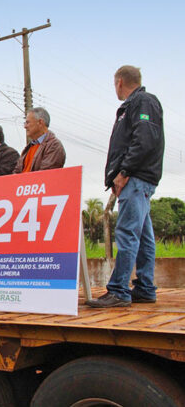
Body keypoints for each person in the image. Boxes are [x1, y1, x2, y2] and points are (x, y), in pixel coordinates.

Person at [87, 65, 164, 308]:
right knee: (142, 235)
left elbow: (144, 140)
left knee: (127, 232)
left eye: (114, 85)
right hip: (137, 178)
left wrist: (124, 171)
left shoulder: (142, 101)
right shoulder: (135, 105)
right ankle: (144, 287)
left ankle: (119, 290)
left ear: (120, 81)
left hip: (136, 177)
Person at [13, 107, 66, 173]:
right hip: (24, 183)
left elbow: (45, 175)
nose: (25, 126)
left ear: (40, 122)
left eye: (28, 122)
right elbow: (16, 172)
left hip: (35, 183)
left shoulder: (54, 145)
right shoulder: (29, 147)